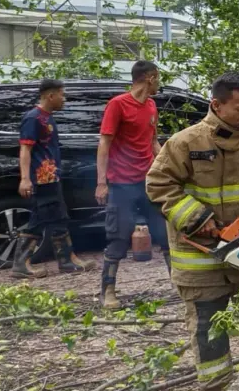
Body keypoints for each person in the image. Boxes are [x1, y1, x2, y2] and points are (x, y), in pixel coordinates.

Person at [146, 72, 239, 391]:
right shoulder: (186, 143)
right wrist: (199, 219)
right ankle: (219, 390)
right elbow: (158, 185)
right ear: (216, 105)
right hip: (202, 255)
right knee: (209, 325)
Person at [96, 60, 169, 310]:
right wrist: (101, 182)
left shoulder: (151, 106)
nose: (159, 83)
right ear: (149, 77)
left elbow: (153, 142)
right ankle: (108, 291)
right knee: (118, 237)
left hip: (148, 182)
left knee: (165, 235)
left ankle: (180, 286)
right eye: (158, 78)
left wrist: (167, 168)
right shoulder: (117, 105)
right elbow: (104, 144)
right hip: (122, 184)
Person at [10, 79, 94, 278]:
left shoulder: (47, 117)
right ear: (50, 96)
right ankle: (42, 263)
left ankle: (65, 260)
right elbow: (25, 149)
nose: (64, 99)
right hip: (41, 178)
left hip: (51, 176)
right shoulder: (34, 118)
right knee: (47, 218)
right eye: (61, 95)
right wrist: (25, 178)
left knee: (54, 217)